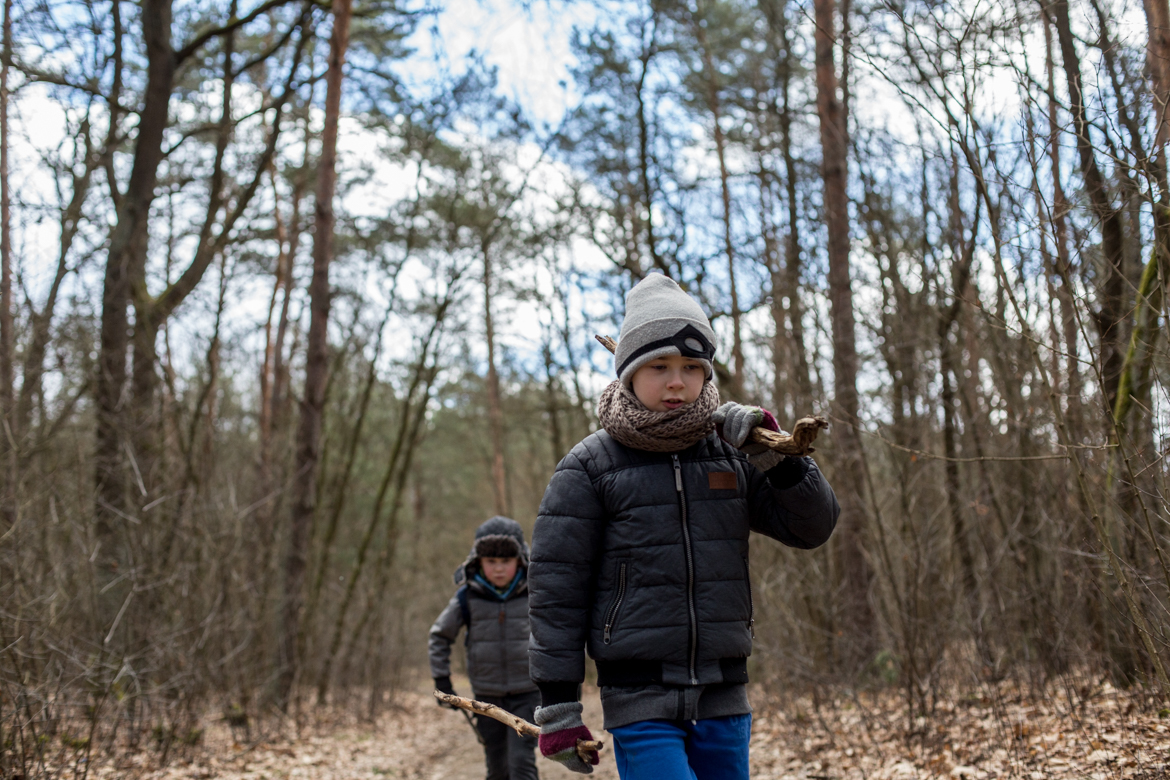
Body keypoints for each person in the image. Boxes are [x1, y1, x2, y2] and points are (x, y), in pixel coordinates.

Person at [527, 274, 840, 779]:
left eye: (691, 367)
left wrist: (774, 457)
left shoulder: (735, 452)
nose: (678, 381)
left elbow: (812, 528)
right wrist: (559, 705)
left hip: (724, 689)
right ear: (628, 372)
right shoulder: (588, 466)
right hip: (637, 693)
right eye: (660, 366)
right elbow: (556, 589)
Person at [430, 516, 541, 780]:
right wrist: (442, 680)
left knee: (520, 763)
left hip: (527, 694)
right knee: (497, 766)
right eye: (491, 562)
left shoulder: (535, 594)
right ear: (478, 562)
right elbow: (439, 636)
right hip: (485, 697)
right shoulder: (467, 597)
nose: (499, 569)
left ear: (521, 560)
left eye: (506, 561)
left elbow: (559, 634)